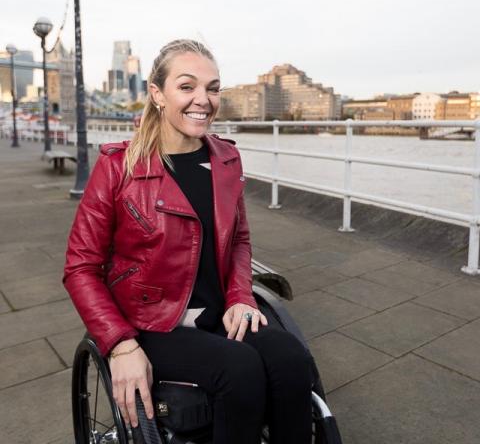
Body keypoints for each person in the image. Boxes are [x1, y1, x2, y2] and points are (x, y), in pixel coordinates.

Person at [63, 39, 315, 444]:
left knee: (291, 360)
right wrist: (120, 344)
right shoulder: (117, 167)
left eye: (212, 88)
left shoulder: (226, 160)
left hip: (218, 312)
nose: (204, 99)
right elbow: (80, 268)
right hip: (151, 323)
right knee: (240, 371)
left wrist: (239, 297)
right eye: (187, 86)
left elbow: (239, 240)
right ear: (158, 93)